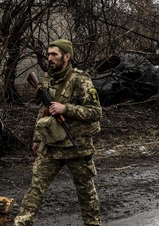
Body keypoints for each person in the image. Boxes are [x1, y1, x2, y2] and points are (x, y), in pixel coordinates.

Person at [14, 39, 103, 226]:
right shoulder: (48, 78)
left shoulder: (81, 80)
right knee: (36, 188)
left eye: (54, 54)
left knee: (86, 192)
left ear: (67, 56)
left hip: (77, 147)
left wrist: (66, 108)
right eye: (48, 54)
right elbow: (44, 110)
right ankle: (22, 223)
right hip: (52, 145)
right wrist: (37, 138)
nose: (50, 58)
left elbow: (96, 112)